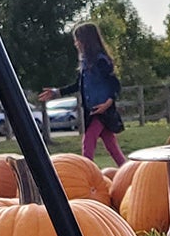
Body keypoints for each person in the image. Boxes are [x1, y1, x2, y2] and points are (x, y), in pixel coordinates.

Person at [37, 22, 127, 166]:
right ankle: (128, 170)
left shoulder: (100, 61)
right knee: (111, 147)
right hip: (92, 111)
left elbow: (115, 85)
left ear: (87, 41)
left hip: (103, 111)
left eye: (77, 40)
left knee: (88, 142)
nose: (75, 43)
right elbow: (77, 85)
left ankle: (86, 173)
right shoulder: (85, 65)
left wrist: (108, 103)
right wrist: (57, 92)